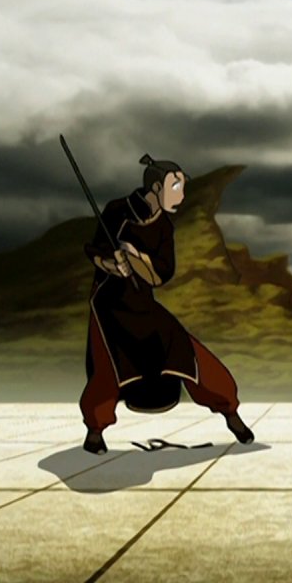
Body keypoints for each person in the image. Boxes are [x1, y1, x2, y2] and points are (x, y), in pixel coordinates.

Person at [79, 154, 254, 454]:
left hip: (142, 302)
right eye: (176, 187)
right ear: (157, 187)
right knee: (108, 365)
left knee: (187, 350)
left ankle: (230, 412)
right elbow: (95, 251)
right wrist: (111, 264)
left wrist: (136, 258)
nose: (181, 195)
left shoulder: (163, 226)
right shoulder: (117, 210)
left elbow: (161, 273)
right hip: (109, 302)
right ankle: (95, 430)